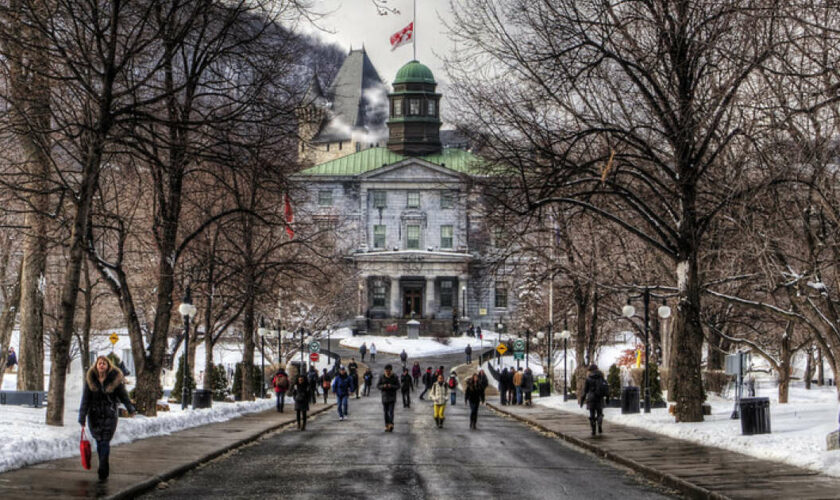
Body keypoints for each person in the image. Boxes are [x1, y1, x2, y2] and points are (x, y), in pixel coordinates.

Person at [79, 355, 136, 481]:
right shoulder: (91, 379)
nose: (102, 365)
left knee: (105, 441)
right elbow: (85, 399)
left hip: (109, 415)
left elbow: (123, 396)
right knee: (99, 441)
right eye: (100, 363)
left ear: (108, 365)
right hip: (94, 416)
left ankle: (103, 468)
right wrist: (82, 416)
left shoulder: (115, 379)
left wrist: (130, 408)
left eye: (104, 363)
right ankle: (103, 465)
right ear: (96, 365)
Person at [581, 364, 608, 436]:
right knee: (600, 413)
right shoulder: (601, 377)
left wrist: (582, 399)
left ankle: (593, 430)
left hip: (591, 398)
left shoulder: (588, 379)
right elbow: (606, 388)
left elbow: (585, 390)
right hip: (599, 398)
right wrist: (607, 397)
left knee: (592, 414)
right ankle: (599, 424)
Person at [377, 364, 400, 432]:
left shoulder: (395, 376)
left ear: (391, 370)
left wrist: (391, 386)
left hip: (392, 397)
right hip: (384, 397)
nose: (387, 372)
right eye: (386, 371)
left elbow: (398, 386)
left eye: (389, 371)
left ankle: (391, 424)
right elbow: (378, 386)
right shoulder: (381, 376)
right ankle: (386, 425)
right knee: (385, 412)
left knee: (391, 411)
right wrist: (383, 386)